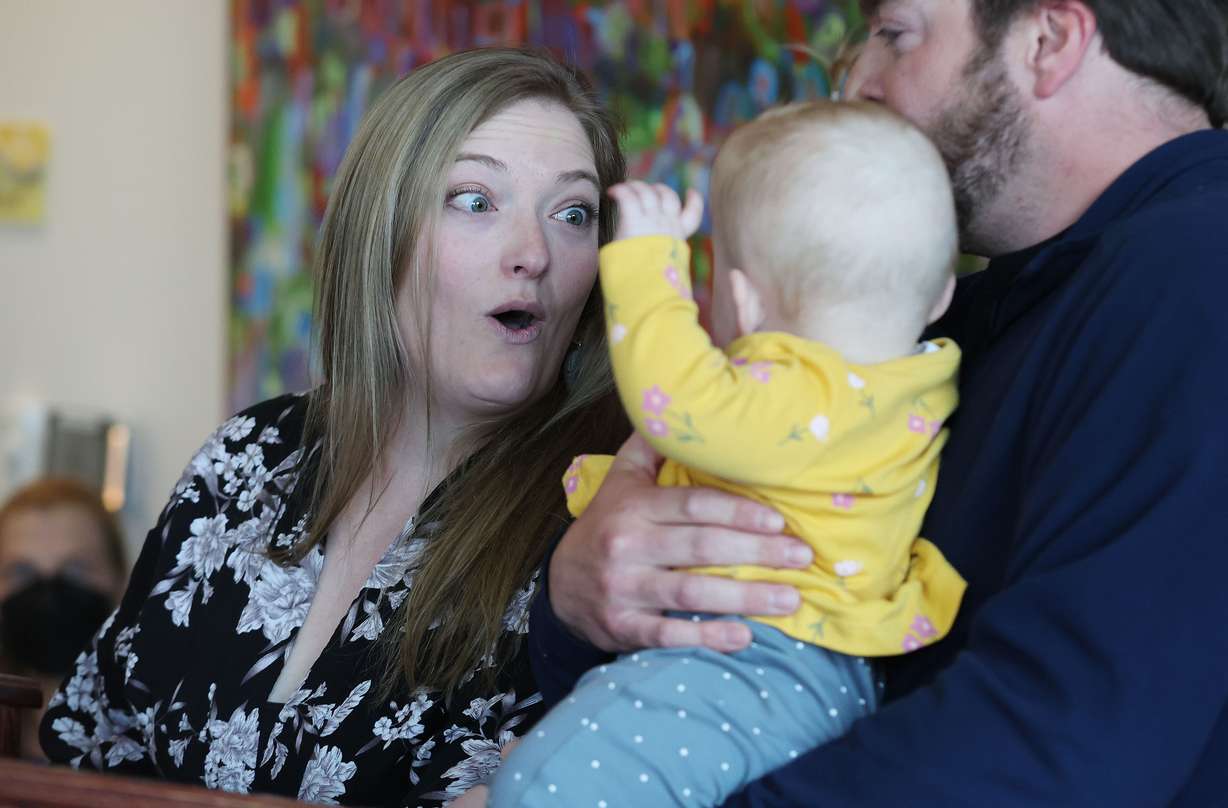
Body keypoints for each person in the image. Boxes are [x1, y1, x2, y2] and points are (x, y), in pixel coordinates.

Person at [529, 1, 1228, 804]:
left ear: (1048, 41)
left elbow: (1056, 747)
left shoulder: (1200, 272)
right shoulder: (951, 321)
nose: (856, 81)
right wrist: (583, 596)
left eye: (895, 34)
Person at [39, 47, 630, 805]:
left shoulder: (604, 517)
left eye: (573, 213)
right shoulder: (249, 459)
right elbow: (83, 743)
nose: (534, 255)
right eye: (477, 201)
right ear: (381, 232)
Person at [487, 100, 965, 807]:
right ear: (941, 295)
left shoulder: (796, 398)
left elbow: (673, 398)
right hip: (811, 672)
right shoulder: (918, 385)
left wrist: (649, 263)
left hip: (755, 660)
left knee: (536, 790)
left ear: (741, 302)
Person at [0, 478, 127, 761]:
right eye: (22, 572)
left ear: (121, 583)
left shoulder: (157, 737)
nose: (48, 593)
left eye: (75, 571)